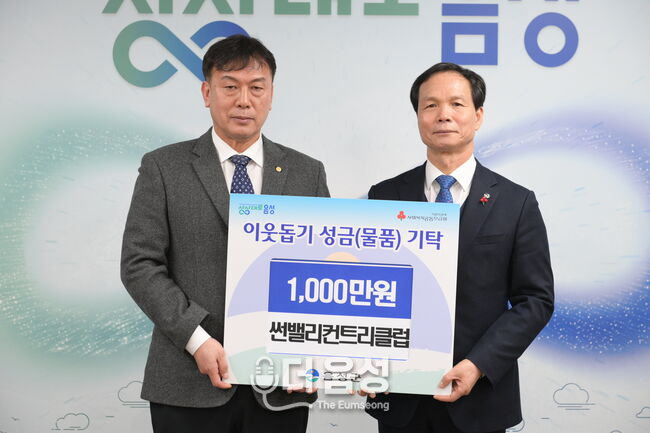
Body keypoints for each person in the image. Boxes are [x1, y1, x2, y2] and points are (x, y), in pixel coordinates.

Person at [121, 34, 329, 433]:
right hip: (187, 379)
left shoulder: (307, 172)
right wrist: (196, 339)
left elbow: (322, 268)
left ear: (271, 95)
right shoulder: (163, 167)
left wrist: (310, 353)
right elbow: (139, 264)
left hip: (280, 383)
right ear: (207, 92)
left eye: (256, 88)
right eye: (230, 87)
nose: (243, 101)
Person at [363, 63, 554, 433]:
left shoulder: (516, 202)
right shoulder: (385, 195)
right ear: (418, 117)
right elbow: (366, 290)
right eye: (430, 105)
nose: (443, 115)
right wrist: (360, 361)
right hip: (400, 399)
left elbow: (535, 300)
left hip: (479, 399)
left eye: (456, 104)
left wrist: (479, 364)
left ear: (478, 115)